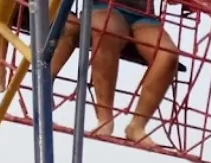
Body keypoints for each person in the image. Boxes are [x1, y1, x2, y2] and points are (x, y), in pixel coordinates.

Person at [43, 1, 179, 148]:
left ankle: (137, 126)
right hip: (104, 6)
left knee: (168, 56)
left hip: (144, 17)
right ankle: (105, 118)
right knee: (107, 31)